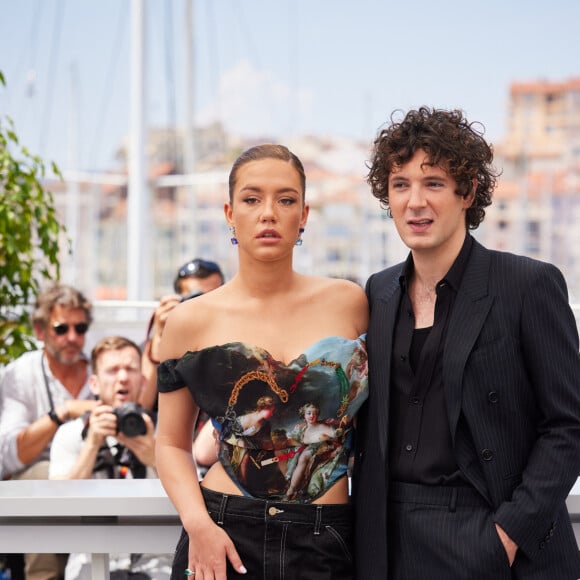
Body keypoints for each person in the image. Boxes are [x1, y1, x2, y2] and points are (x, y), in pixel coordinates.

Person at [353, 107, 580, 579]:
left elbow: (568, 425)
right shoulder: (377, 290)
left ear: (468, 192)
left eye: (433, 182)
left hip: (488, 531)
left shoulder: (527, 284)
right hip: (388, 539)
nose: (415, 202)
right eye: (400, 185)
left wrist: (507, 536)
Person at [155, 143, 369, 579]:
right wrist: (198, 526)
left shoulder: (350, 303)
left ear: (304, 215)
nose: (268, 213)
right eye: (252, 199)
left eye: (285, 199)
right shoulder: (188, 321)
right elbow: (171, 443)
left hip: (325, 542)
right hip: (223, 536)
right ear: (230, 213)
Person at [49, 335, 171, 579]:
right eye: (112, 370)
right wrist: (91, 444)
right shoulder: (72, 433)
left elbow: (196, 498)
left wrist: (154, 456)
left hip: (156, 561)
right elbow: (55, 505)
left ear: (144, 380)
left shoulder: (167, 432)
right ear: (94, 383)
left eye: (130, 369)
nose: (123, 377)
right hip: (89, 561)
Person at [0, 283, 99, 580]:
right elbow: (9, 456)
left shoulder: (101, 366)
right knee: (48, 474)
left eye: (80, 328)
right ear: (40, 331)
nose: (72, 337)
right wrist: (62, 412)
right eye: (61, 328)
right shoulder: (21, 373)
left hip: (98, 470)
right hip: (39, 481)